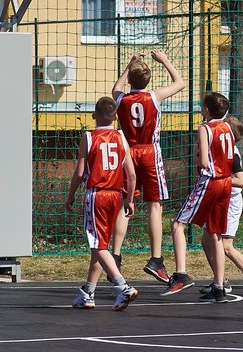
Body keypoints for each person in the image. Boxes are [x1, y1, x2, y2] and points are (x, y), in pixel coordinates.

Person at [110, 50, 186, 283]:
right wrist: (164, 60)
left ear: (130, 80)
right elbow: (180, 82)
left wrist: (129, 65)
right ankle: (156, 259)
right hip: (150, 152)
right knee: (155, 205)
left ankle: (115, 255)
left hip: (128, 152)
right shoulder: (154, 97)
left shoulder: (121, 99)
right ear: (148, 80)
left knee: (126, 202)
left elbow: (115, 89)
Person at [65, 96, 139, 311]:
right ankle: (88, 292)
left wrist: (70, 195)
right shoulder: (121, 137)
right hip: (116, 194)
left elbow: (80, 173)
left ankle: (121, 285)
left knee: (97, 244)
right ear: (116, 117)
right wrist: (130, 199)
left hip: (96, 194)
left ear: (93, 115)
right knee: (100, 245)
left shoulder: (89, 137)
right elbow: (131, 174)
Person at [162, 92, 234, 302]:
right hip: (226, 182)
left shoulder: (205, 128)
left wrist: (196, 156)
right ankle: (219, 287)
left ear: (206, 109)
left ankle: (181, 273)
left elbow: (203, 160)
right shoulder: (228, 127)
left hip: (210, 181)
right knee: (216, 235)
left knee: (178, 224)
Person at [199, 115, 243, 298]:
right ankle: (221, 281)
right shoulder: (217, 149)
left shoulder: (233, 154)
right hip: (217, 199)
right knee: (206, 241)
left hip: (230, 202)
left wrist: (218, 179)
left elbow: (241, 181)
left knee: (226, 246)